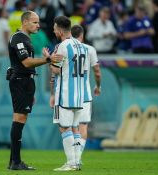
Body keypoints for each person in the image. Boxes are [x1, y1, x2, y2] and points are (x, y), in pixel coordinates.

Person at [6, 11, 62, 170]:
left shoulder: (25, 38)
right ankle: (16, 162)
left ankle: (13, 162)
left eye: (38, 22)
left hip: (25, 82)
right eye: (35, 22)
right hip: (20, 81)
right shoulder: (18, 38)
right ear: (25, 22)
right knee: (19, 120)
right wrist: (48, 59)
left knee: (19, 119)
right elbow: (26, 62)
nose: (38, 25)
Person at [49, 16, 88, 171]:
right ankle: (76, 161)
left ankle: (71, 163)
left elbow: (56, 69)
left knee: (64, 128)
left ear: (59, 29)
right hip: (79, 95)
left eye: (54, 28)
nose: (53, 30)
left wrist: (48, 59)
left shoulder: (62, 46)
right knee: (75, 127)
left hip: (65, 94)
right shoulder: (82, 46)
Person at [71, 24, 101, 168]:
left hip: (70, 94)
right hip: (85, 95)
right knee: (83, 127)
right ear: (82, 35)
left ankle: (73, 159)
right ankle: (77, 158)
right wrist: (98, 86)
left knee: (72, 127)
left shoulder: (66, 48)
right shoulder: (90, 49)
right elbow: (97, 72)